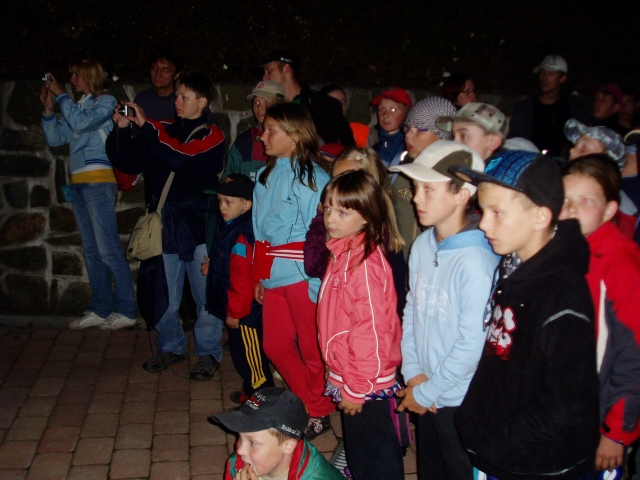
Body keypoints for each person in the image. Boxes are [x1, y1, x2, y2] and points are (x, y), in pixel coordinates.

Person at [450, 150, 601, 479]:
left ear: (540, 217)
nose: (483, 223)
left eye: (497, 213)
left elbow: (564, 402)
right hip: (498, 451)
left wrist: (499, 443)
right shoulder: (514, 264)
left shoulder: (563, 297)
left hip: (534, 463)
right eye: (483, 210)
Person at [106, 72, 226, 380]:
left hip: (200, 227)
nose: (177, 101)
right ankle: (172, 346)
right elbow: (128, 162)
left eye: (184, 96)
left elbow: (181, 157)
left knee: (205, 299)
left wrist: (146, 127)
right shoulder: (161, 129)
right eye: (177, 96)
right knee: (163, 295)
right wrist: (122, 129)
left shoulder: (213, 135)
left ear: (203, 101)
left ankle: (208, 352)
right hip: (165, 226)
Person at [390, 141, 498, 480]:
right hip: (426, 386)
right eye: (415, 187)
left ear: (462, 194)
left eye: (428, 189)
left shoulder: (477, 261)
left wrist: (427, 391)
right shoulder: (423, 243)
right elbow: (412, 310)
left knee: (459, 469)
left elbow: (472, 345)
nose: (416, 198)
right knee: (432, 467)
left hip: (459, 399)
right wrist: (413, 372)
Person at [251, 103, 334, 440]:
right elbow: (259, 230)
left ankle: (319, 411)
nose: (263, 136)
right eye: (265, 129)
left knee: (312, 349)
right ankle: (306, 403)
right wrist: (259, 274)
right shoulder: (264, 176)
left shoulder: (313, 178)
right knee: (274, 345)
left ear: (296, 136)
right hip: (274, 274)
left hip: (302, 275)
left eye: (272, 130)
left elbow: (321, 232)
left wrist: (317, 280)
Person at [317, 170, 404, 480]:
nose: (330, 218)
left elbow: (372, 332)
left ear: (366, 216)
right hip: (353, 373)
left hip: (366, 381)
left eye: (343, 211)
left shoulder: (363, 264)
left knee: (375, 459)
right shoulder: (344, 251)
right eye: (328, 208)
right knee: (363, 451)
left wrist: (356, 389)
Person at [40, 59, 137, 330]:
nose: (71, 80)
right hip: (79, 182)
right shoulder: (78, 105)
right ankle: (101, 307)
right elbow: (56, 138)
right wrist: (48, 111)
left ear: (88, 76)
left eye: (75, 75)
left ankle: (127, 310)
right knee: (92, 251)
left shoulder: (105, 102)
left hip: (98, 181)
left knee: (108, 249)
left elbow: (81, 124)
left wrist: (61, 97)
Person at [560, 155, 640, 475]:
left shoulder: (621, 263)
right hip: (564, 411)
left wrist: (616, 432)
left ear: (609, 210)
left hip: (600, 418)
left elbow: (634, 353)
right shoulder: (565, 249)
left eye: (587, 200)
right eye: (564, 198)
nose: (571, 209)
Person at [201, 174, 274, 404]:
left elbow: (242, 279)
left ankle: (261, 399)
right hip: (237, 310)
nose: (222, 207)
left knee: (251, 358)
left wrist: (235, 312)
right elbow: (229, 263)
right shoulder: (230, 225)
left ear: (246, 205)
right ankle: (250, 390)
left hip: (244, 314)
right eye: (220, 201)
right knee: (241, 354)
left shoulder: (241, 233)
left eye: (228, 202)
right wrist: (214, 267)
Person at [211, 387, 344, 480]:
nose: (240, 450)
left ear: (288, 446)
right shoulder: (238, 463)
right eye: (240, 437)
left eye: (253, 442)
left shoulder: (318, 477)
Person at [395, 96, 458, 260]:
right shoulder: (402, 172)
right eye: (407, 128)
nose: (408, 136)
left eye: (420, 129)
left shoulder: (454, 178)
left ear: (443, 134)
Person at [258, 50, 355, 146]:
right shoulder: (276, 107)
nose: (264, 77)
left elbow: (343, 144)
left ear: (286, 69)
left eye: (269, 70)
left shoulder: (321, 104)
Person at [508, 54, 590, 156]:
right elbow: (514, 142)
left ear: (562, 78)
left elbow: (584, 139)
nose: (544, 78)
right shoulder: (524, 109)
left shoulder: (575, 107)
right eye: (542, 72)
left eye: (551, 74)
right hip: (533, 161)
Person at [223, 80, 285, 181]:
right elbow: (229, 176)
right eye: (256, 102)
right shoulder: (243, 141)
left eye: (267, 102)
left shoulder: (289, 140)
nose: (260, 108)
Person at [436, 102, 509, 160]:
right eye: (453, 136)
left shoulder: (504, 172)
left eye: (464, 136)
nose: (454, 143)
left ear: (493, 142)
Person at [133, 47, 183, 122]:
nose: (158, 74)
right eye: (155, 68)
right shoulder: (142, 100)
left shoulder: (182, 101)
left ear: (177, 74)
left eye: (165, 70)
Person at [370, 87, 412, 168]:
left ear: (406, 113)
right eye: (382, 109)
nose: (386, 115)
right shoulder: (377, 146)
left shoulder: (408, 146)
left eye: (393, 109)